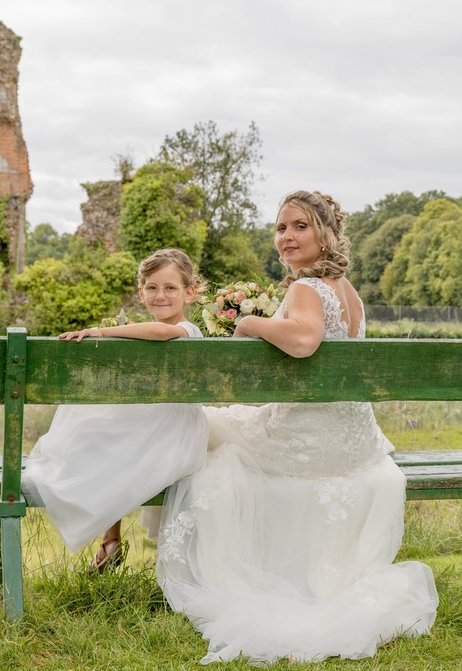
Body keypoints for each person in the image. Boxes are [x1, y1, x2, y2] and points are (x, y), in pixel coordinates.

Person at [155, 191, 439, 664]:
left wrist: (252, 323)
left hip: (309, 443)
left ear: (326, 234)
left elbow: (305, 341)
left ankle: (130, 544)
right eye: (281, 227)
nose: (286, 236)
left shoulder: (306, 288)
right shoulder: (349, 292)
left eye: (299, 227)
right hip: (351, 443)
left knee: (199, 426)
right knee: (219, 426)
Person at [22, 248, 209, 571]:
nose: (160, 295)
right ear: (141, 292)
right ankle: (111, 538)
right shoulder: (147, 332)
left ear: (189, 293)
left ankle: (110, 540)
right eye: (151, 287)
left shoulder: (187, 331)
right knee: (91, 423)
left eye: (170, 288)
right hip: (159, 422)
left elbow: (164, 331)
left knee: (98, 431)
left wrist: (102, 332)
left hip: (177, 430)